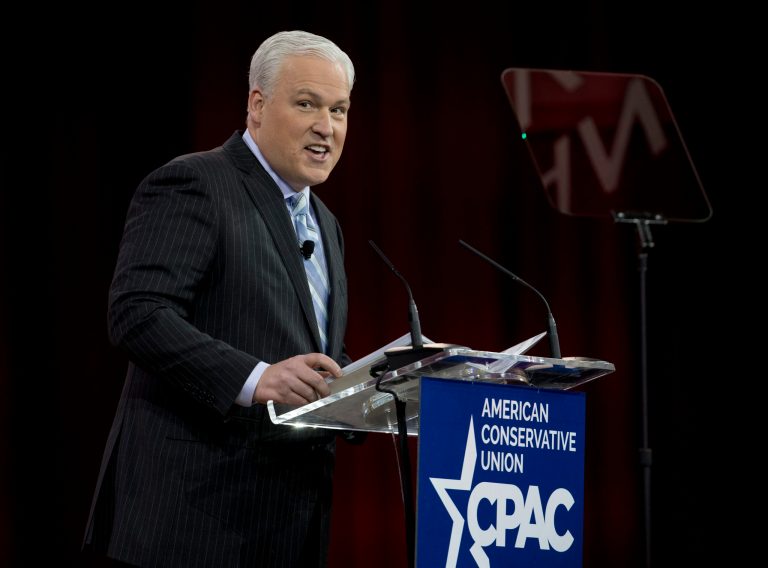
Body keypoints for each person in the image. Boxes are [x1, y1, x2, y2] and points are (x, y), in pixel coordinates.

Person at [83, 30, 356, 567]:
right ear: (257, 105)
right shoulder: (196, 183)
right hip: (191, 523)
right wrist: (256, 378)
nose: (327, 127)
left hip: (286, 526)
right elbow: (137, 313)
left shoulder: (326, 224)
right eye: (307, 104)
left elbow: (307, 351)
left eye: (339, 110)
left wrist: (376, 384)